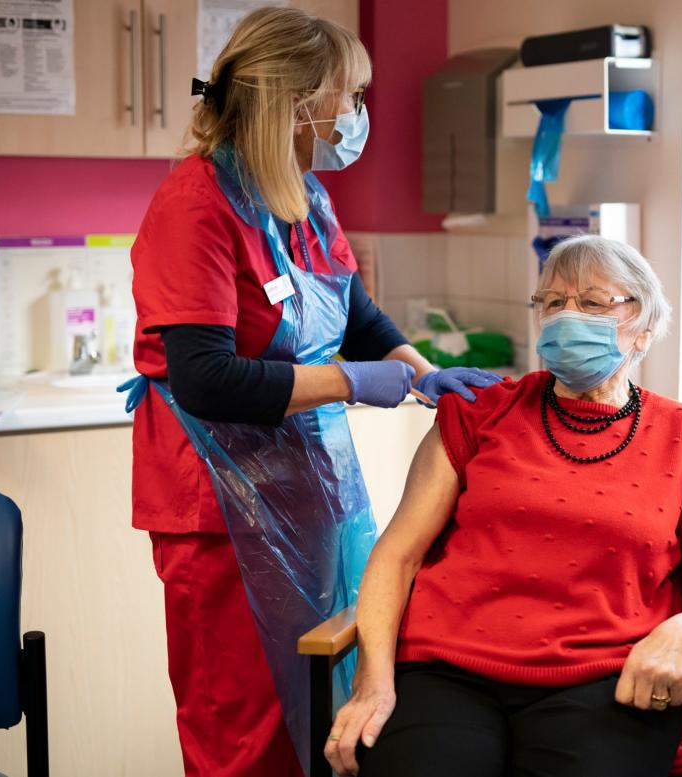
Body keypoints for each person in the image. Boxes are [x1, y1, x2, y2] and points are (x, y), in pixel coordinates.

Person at [123, 8, 498, 776]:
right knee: (243, 728)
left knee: (314, 709)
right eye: (349, 96)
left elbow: (352, 312)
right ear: (296, 105)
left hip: (304, 490)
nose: (357, 114)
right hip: (217, 507)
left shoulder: (302, 198)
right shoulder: (195, 205)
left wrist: (420, 370)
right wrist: (354, 381)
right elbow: (205, 376)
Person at [325, 235, 682, 777]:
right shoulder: (479, 412)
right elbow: (397, 555)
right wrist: (372, 681)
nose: (566, 316)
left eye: (593, 303)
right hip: (447, 672)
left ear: (644, 329)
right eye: (552, 303)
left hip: (605, 682)